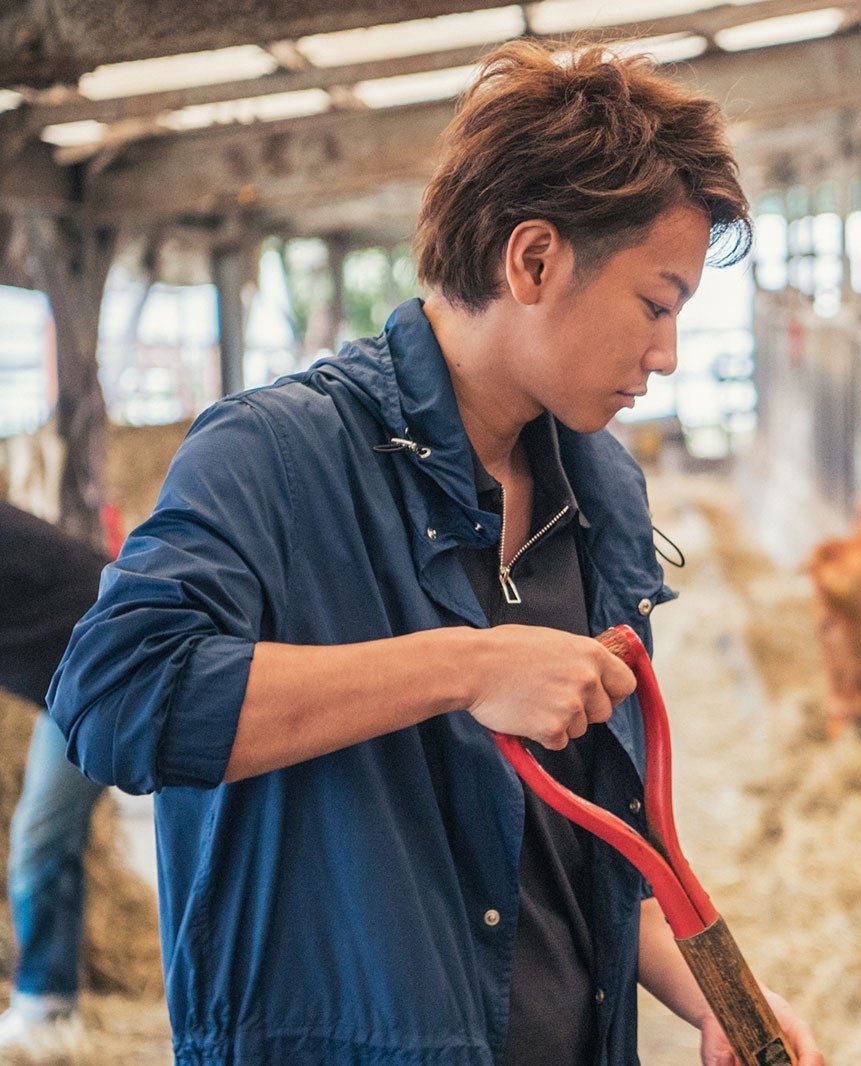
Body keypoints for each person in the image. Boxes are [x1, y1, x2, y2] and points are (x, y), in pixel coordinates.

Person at [48, 41, 822, 1066]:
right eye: (656, 303)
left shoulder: (601, 493)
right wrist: (464, 665)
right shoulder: (273, 455)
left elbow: (580, 839)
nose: (667, 352)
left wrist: (713, 992)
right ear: (533, 259)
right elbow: (111, 698)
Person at [0, 502, 109, 1050]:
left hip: (106, 674)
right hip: (68, 688)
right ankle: (48, 1002)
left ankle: (46, 1010)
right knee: (42, 839)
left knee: (41, 839)